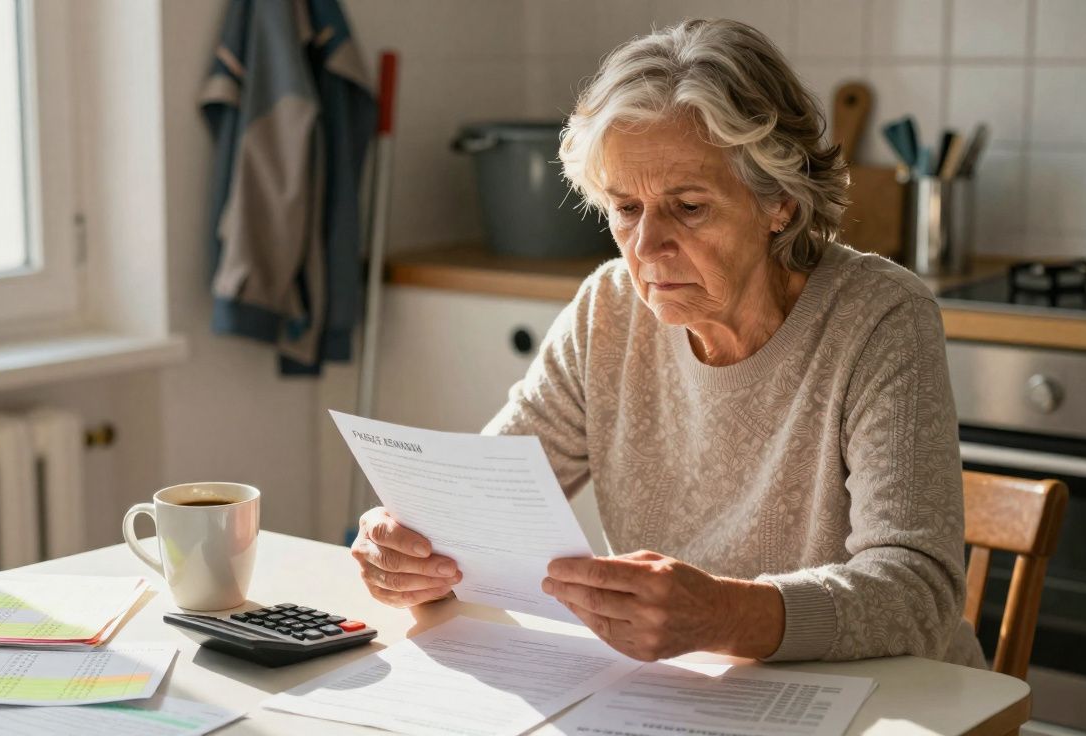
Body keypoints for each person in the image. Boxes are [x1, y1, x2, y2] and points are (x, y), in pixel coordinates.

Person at [350, 18, 984, 667]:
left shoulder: (880, 318)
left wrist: (724, 615)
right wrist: (411, 543)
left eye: (688, 206)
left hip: (894, 703)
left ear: (781, 204)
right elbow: (482, 500)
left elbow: (919, 591)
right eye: (626, 208)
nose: (647, 248)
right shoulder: (609, 309)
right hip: (692, 696)